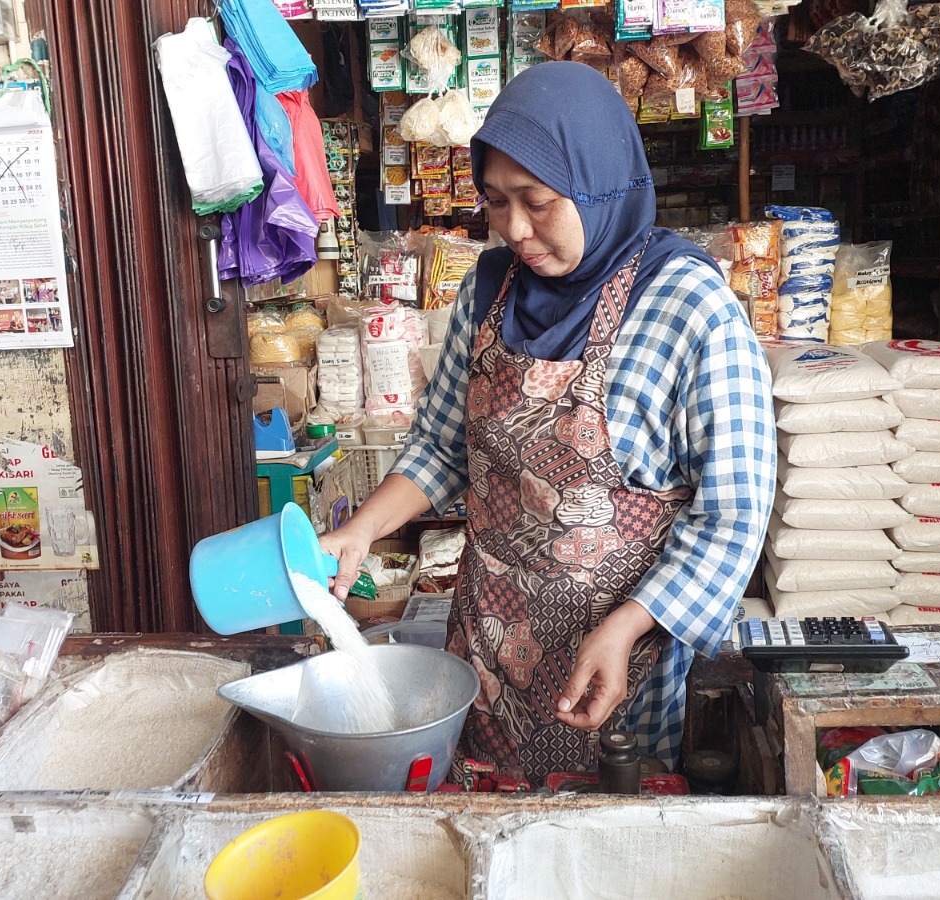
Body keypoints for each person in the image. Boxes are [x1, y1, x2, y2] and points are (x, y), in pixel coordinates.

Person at [319, 62, 775, 784]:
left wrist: (626, 629)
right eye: (496, 203)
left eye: (537, 202)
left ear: (598, 183)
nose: (516, 229)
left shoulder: (690, 306)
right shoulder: (489, 287)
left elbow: (732, 518)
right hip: (489, 656)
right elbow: (442, 445)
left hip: (619, 665)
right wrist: (362, 528)